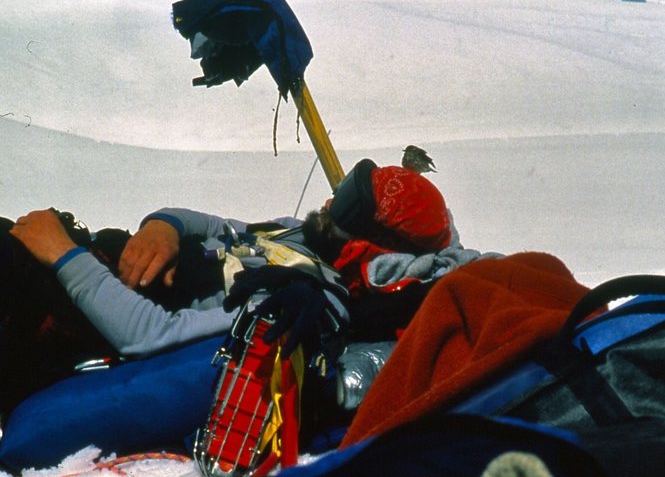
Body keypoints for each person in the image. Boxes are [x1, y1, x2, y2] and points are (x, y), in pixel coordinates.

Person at [0, 159, 466, 425]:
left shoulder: (304, 296)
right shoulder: (300, 236)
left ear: (368, 244)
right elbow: (215, 225)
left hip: (73, 314)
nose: (328, 200)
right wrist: (166, 226)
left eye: (346, 202)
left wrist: (62, 255)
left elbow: (152, 335)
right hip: (94, 266)